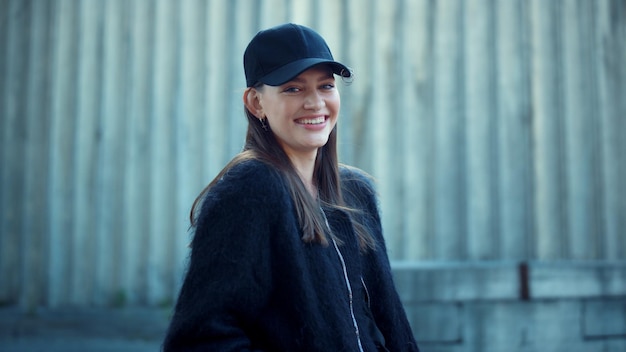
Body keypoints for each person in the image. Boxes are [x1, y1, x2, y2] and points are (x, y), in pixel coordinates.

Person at [163, 23, 419, 352]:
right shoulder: (250, 190)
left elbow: (386, 325)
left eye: (326, 86)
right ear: (255, 102)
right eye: (292, 89)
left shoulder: (356, 192)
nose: (315, 103)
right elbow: (200, 340)